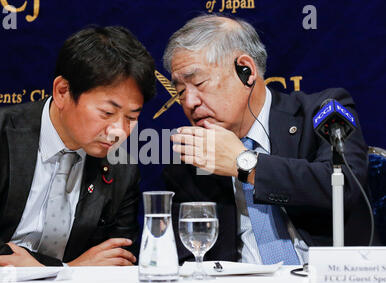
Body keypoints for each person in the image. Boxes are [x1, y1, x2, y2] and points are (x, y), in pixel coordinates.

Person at [161, 14, 376, 266]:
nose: (189, 102)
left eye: (199, 82)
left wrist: (246, 165)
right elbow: (190, 259)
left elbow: (344, 188)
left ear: (246, 71)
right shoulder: (193, 155)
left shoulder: (322, 111)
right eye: (181, 91)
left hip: (330, 281)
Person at [0, 25, 156, 267]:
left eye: (132, 117)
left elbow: (116, 258)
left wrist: (59, 273)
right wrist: (64, 270)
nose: (118, 131)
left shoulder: (121, 167)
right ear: (62, 91)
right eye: (107, 112)